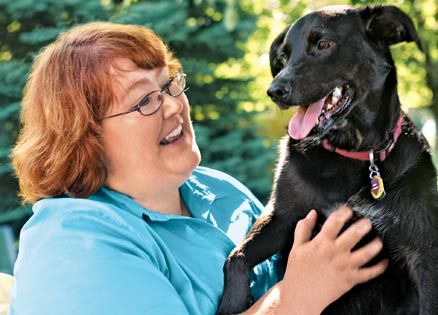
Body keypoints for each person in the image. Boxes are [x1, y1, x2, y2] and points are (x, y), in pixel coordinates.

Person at [9, 22, 387, 315]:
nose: (175, 106)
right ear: (85, 137)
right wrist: (297, 298)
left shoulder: (217, 191)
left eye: (170, 84)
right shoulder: (72, 246)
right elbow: (306, 287)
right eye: (144, 101)